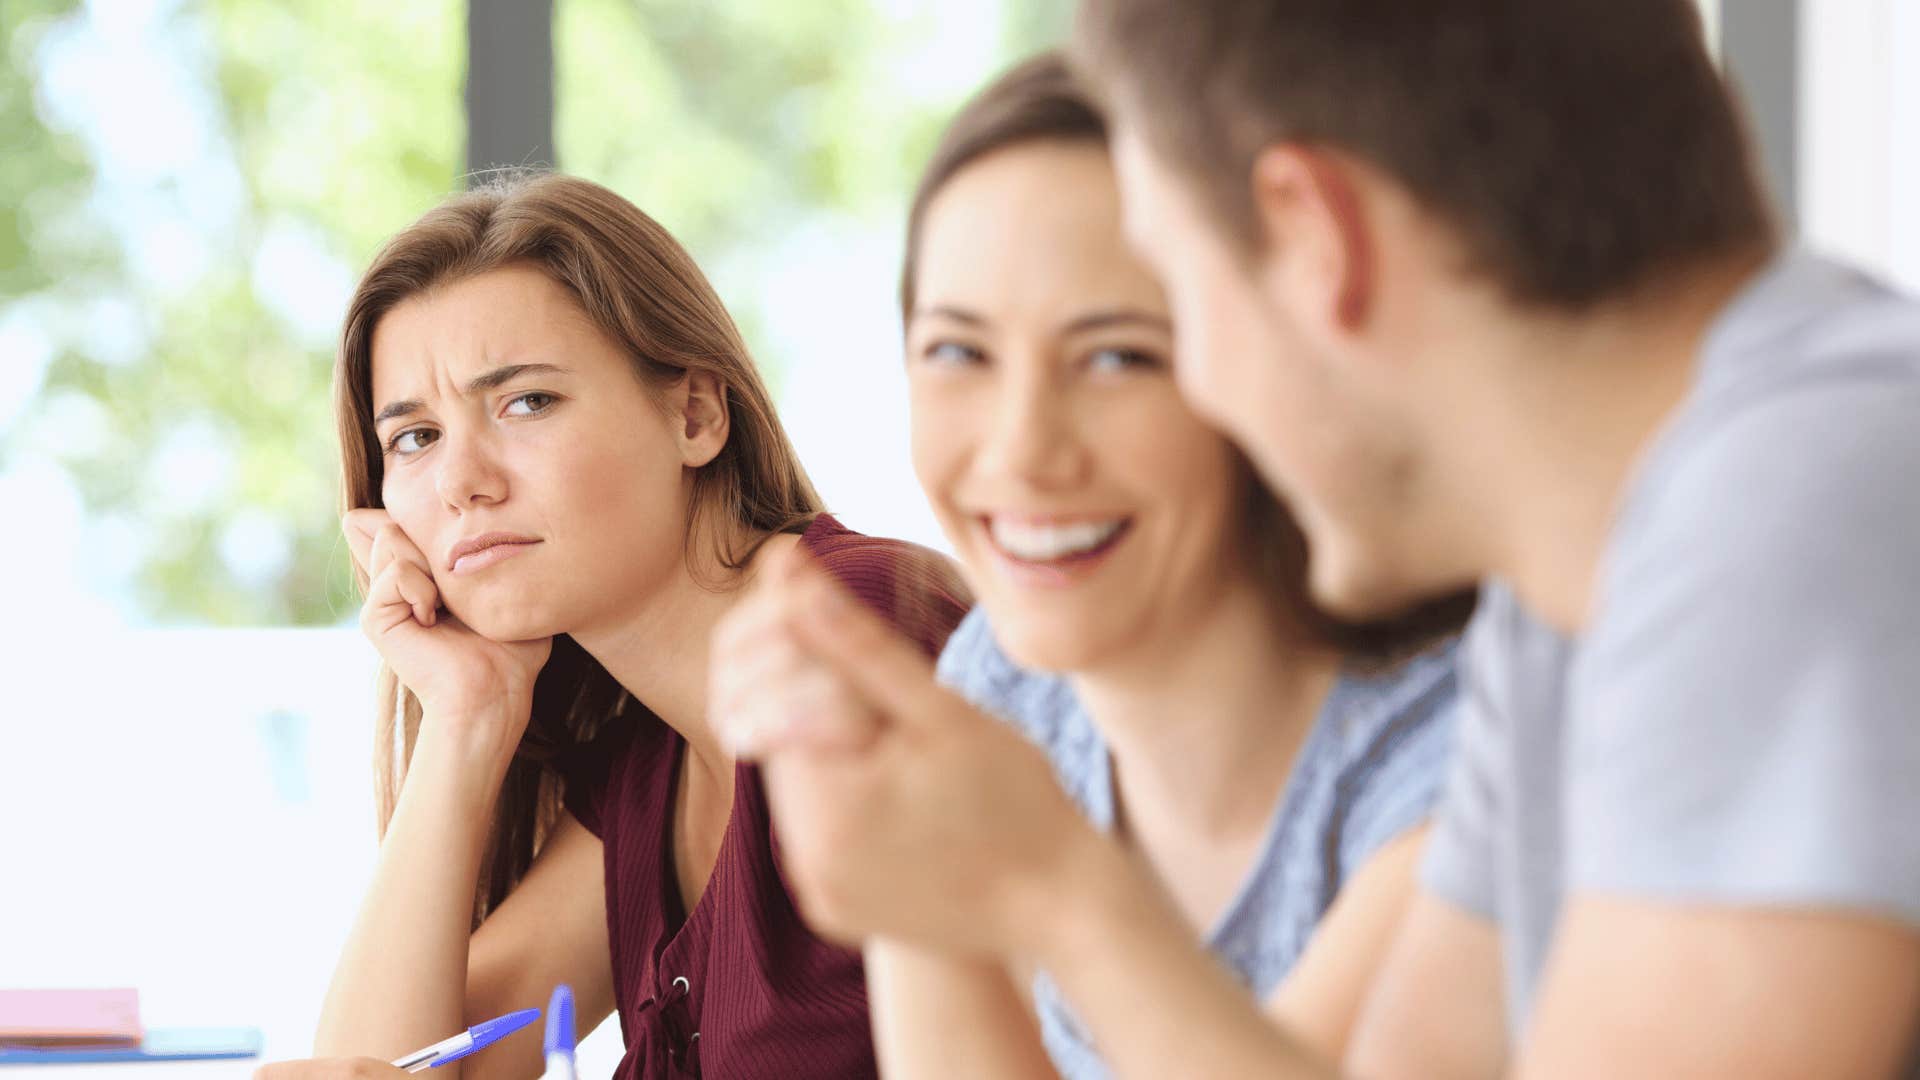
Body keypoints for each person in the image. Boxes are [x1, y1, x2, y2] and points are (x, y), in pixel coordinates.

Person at [723, 2, 1920, 1077]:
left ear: (1312, 235)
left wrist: (1052, 892)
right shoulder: (1566, 593)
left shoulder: (1789, 503)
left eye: (1164, 311)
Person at [715, 53, 1467, 1079]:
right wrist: (900, 875)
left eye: (1117, 356)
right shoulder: (1002, 685)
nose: (1022, 449)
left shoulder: (1459, 744)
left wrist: (1048, 878)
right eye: (958, 352)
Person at [256, 172, 969, 1080]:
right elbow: (402, 1068)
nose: (461, 482)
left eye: (527, 403)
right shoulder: (645, 758)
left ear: (695, 413)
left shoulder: (863, 633)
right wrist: (469, 713)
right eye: (415, 438)